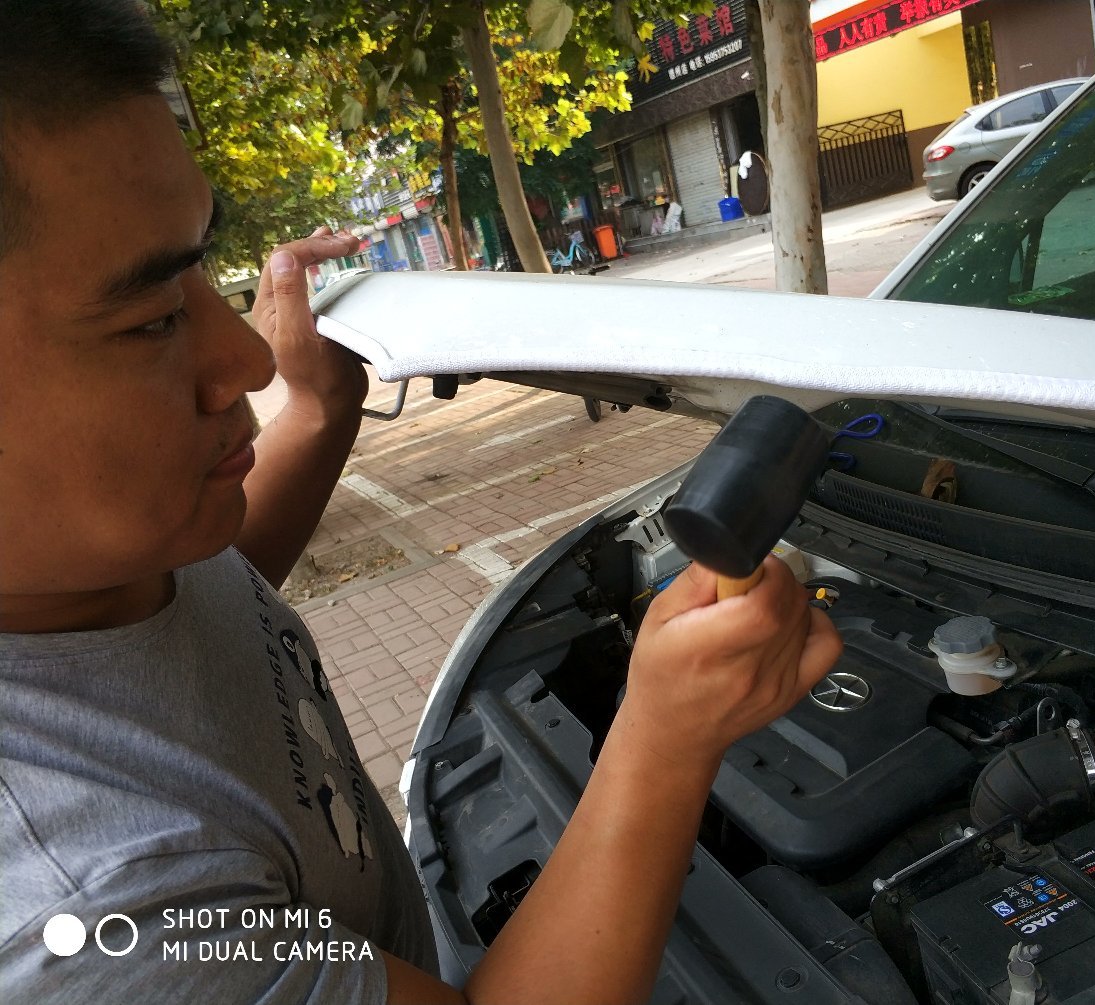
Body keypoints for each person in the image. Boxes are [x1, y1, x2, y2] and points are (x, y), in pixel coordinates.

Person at [0, 3, 843, 1003]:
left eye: (201, 275)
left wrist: (316, 413)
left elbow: (193, 608)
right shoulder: (97, 930)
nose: (243, 356)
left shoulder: (76, 575)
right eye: (148, 321)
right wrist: (667, 739)